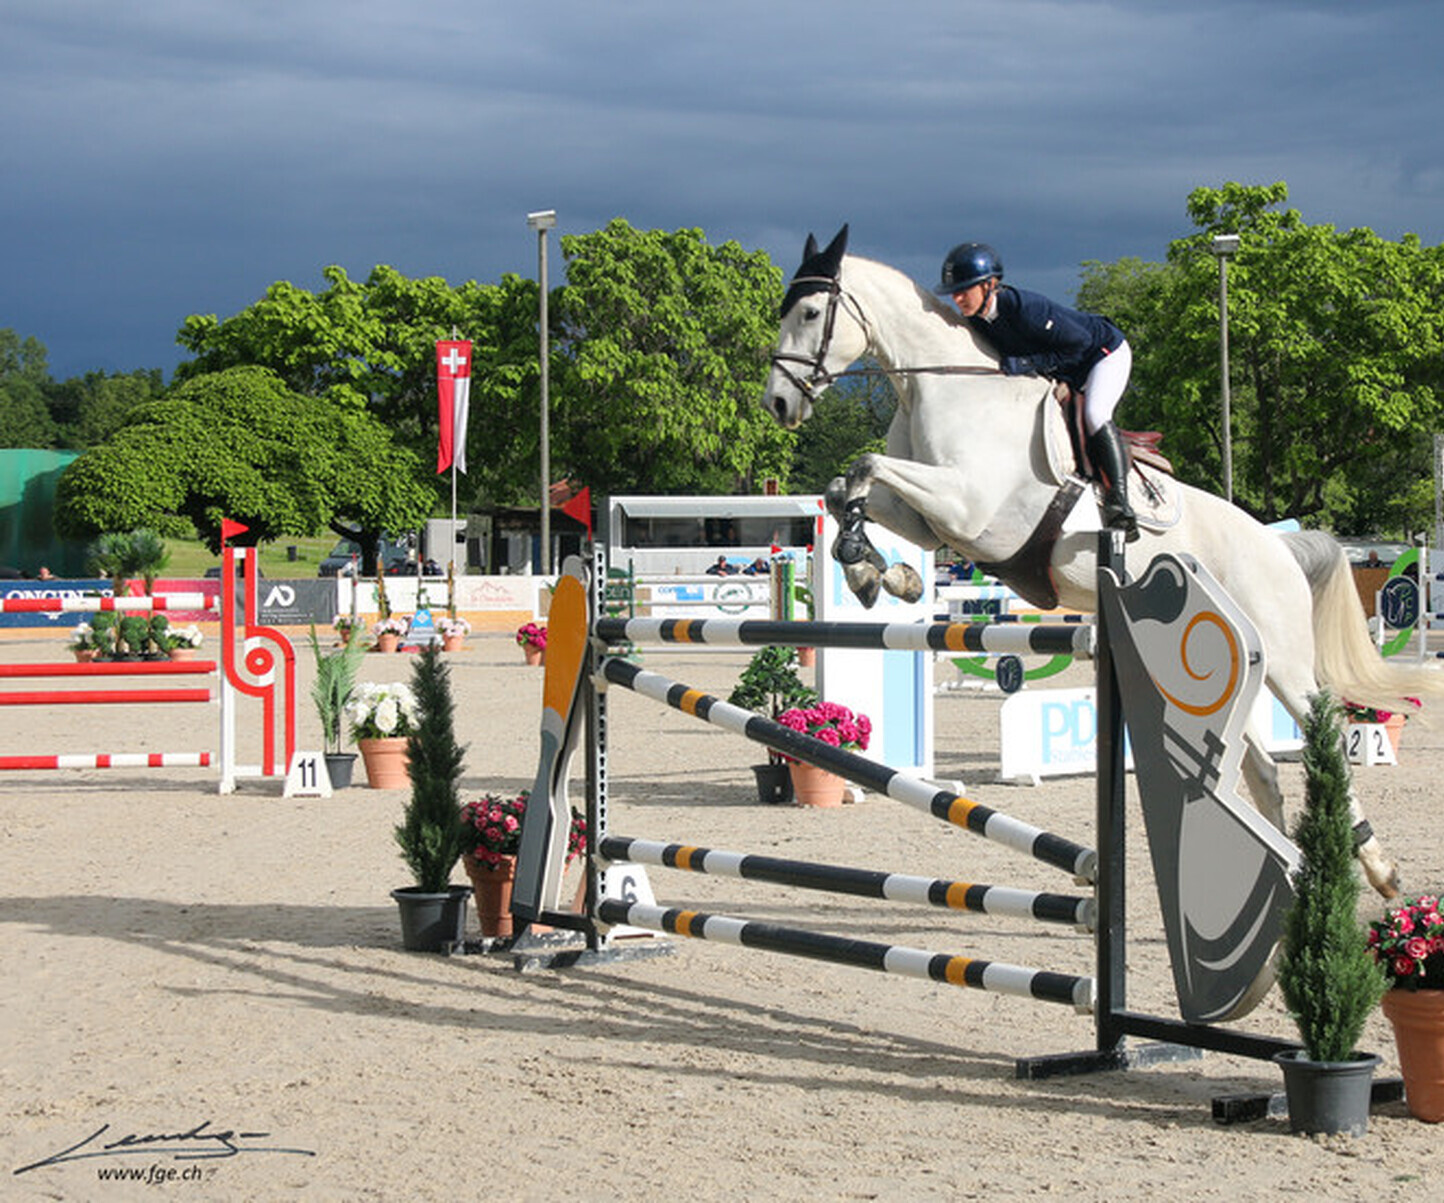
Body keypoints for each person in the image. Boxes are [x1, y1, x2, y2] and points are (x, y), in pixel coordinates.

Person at [935, 241, 1138, 539]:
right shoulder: (978, 321)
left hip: (1103, 353)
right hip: (1067, 367)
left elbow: (1079, 343)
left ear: (990, 285)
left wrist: (1027, 362)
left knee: (1096, 413)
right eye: (955, 291)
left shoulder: (1025, 309)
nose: (958, 297)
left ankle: (1121, 505)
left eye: (966, 289)